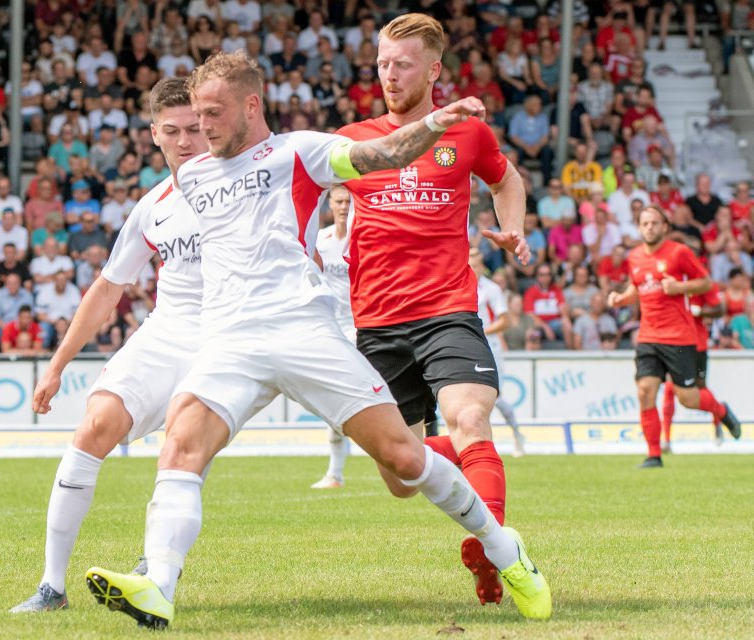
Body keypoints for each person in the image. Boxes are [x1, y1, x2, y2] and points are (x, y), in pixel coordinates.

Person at [76, 49, 550, 629]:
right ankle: (158, 586)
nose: (202, 127)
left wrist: (432, 123)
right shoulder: (192, 175)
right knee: (180, 448)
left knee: (404, 458)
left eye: (213, 113)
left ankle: (507, 551)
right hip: (230, 342)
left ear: (251, 105)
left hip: (303, 327)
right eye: (196, 115)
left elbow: (381, 153)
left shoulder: (299, 151)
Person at [335, 14, 535, 607]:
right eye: (382, 64)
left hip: (449, 308)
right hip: (377, 322)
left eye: (402, 64)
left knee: (470, 419)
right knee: (399, 478)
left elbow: (508, 181)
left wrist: (513, 230)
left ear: (433, 69)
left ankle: (495, 551)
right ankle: (466, 488)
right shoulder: (355, 140)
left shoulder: (467, 133)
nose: (389, 75)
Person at [11, 78, 209, 614]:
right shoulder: (154, 206)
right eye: (174, 131)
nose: (188, 140)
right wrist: (56, 366)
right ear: (154, 136)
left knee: (184, 448)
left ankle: (157, 568)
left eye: (196, 128)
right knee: (92, 426)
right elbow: (108, 287)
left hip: (226, 340)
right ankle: (52, 586)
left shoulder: (247, 186)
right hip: (166, 330)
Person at [608, 206, 742, 469]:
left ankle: (721, 410)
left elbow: (705, 283)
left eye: (654, 223)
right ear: (638, 227)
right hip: (648, 336)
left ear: (665, 227)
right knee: (645, 390)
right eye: (645, 223)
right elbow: (637, 286)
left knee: (688, 399)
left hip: (679, 337)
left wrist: (679, 287)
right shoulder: (634, 257)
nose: (649, 228)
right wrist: (620, 298)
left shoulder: (678, 252)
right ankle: (654, 455)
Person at [310, 185, 355, 490]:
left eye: (348, 201)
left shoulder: (362, 237)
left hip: (363, 327)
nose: (343, 207)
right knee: (334, 403)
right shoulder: (321, 240)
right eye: (338, 201)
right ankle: (335, 474)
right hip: (332, 329)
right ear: (329, 202)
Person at [660, 279, 730, 449]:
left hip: (698, 345)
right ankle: (667, 439)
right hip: (676, 344)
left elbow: (718, 309)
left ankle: (718, 420)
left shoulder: (703, 284)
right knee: (670, 387)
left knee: (701, 389)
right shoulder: (670, 284)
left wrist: (699, 312)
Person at [470, 248, 525, 457]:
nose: (473, 269)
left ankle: (517, 434)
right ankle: (477, 445)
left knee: (495, 397)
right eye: (470, 265)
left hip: (489, 347)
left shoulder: (491, 289)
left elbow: (505, 320)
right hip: (466, 346)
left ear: (482, 266)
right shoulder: (459, 286)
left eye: (476, 265)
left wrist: (481, 331)